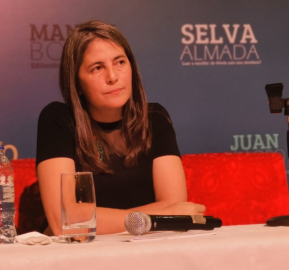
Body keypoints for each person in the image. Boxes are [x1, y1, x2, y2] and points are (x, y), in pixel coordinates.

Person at [36, 20, 205, 236]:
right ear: (76, 83)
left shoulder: (155, 118)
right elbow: (64, 221)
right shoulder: (58, 119)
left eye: (120, 62)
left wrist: (93, 219)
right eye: (97, 68)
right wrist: (150, 218)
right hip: (77, 254)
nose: (113, 77)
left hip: (144, 250)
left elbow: (175, 204)